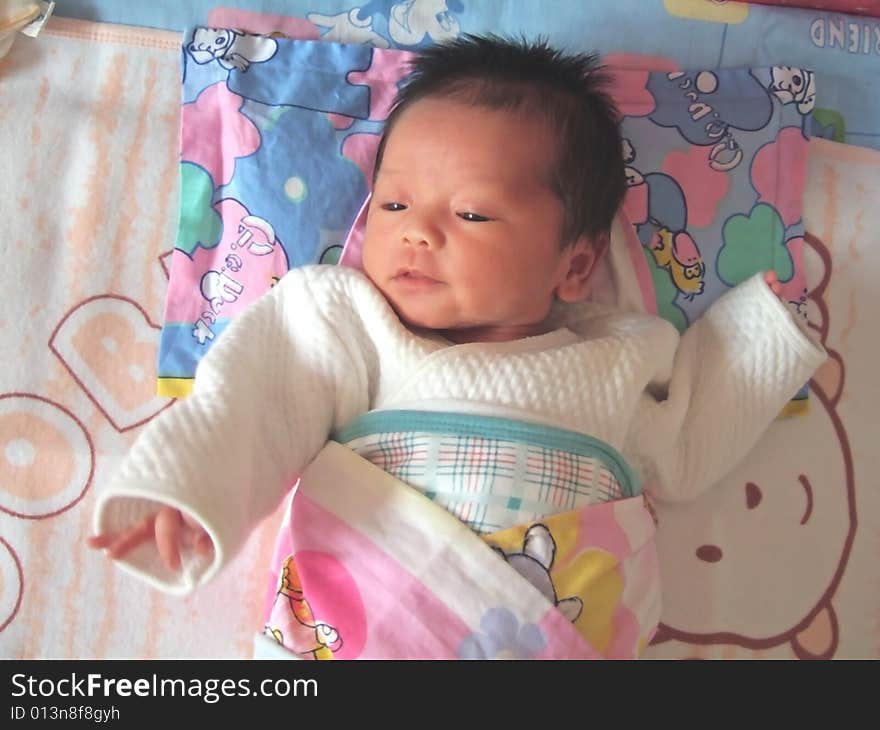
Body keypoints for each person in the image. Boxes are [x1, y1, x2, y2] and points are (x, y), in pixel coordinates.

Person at [89, 35, 825, 657]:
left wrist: (766, 332)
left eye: (471, 212)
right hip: (366, 621)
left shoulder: (619, 359)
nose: (416, 230)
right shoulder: (353, 324)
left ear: (575, 264)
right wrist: (188, 490)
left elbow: (689, 441)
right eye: (396, 203)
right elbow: (253, 399)